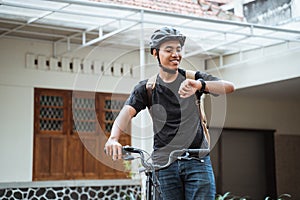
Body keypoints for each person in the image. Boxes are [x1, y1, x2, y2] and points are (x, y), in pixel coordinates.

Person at [104, 27, 235, 200]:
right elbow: (126, 113)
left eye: (178, 49)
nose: (175, 54)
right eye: (169, 50)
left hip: (197, 161)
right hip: (164, 165)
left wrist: (199, 85)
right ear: (155, 53)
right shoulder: (147, 88)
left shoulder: (192, 78)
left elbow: (229, 87)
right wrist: (113, 138)